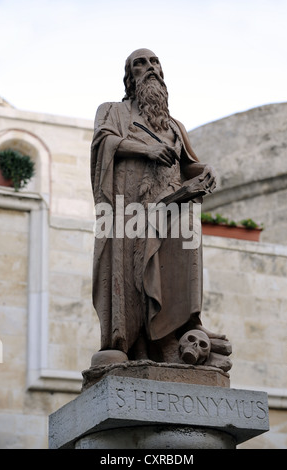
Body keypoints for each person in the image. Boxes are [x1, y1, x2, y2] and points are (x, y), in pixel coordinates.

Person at [90, 48, 217, 365]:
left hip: (174, 208)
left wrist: (207, 171)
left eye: (154, 62)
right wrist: (147, 150)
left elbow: (188, 165)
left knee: (180, 263)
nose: (149, 68)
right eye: (140, 63)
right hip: (131, 209)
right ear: (130, 77)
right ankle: (141, 344)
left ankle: (177, 332)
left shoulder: (175, 125)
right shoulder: (114, 111)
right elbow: (103, 142)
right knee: (135, 272)